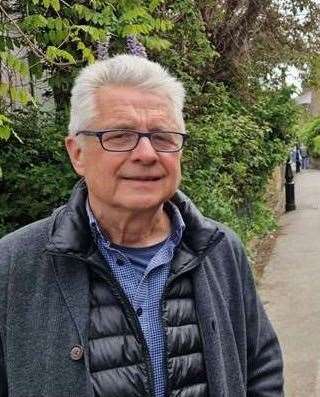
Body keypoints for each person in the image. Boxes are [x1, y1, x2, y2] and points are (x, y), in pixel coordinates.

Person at [0, 54, 283, 396]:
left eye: (163, 137)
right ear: (77, 153)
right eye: (120, 136)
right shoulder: (14, 265)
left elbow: (261, 366)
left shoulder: (220, 250)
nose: (147, 153)